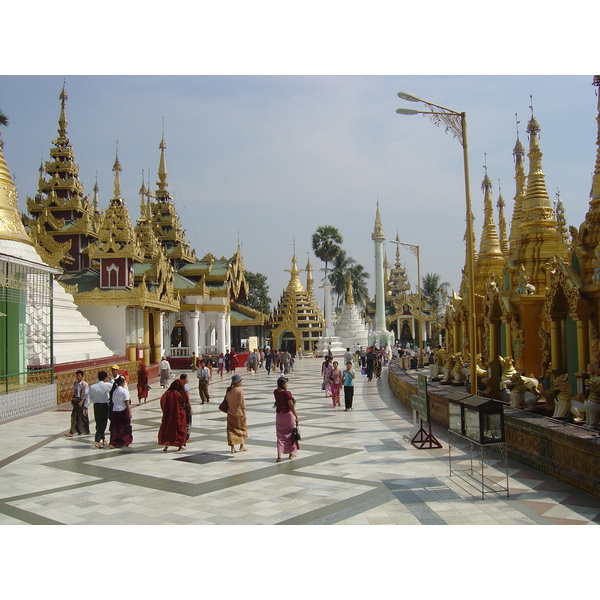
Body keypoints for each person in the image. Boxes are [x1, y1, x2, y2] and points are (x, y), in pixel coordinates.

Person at [158, 377, 189, 452]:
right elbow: (185, 402)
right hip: (179, 415)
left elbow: (162, 402)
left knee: (168, 429)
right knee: (180, 429)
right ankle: (180, 446)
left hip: (168, 415)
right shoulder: (179, 394)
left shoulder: (167, 393)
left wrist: (166, 411)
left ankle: (166, 445)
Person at [273, 376, 299, 462]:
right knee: (290, 434)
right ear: (283, 384)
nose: (287, 385)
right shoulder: (287, 393)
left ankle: (279, 455)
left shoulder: (276, 392)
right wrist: (296, 416)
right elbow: (290, 405)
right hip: (287, 415)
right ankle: (291, 453)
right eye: (286, 383)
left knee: (280, 435)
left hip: (279, 415)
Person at [88, 370, 113, 448]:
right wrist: (110, 378)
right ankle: (97, 441)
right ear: (105, 378)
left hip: (96, 406)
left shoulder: (92, 386)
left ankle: (103, 439)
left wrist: (85, 407)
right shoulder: (106, 385)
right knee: (102, 424)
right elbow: (113, 383)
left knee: (98, 422)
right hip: (104, 406)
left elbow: (89, 397)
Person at [225, 373, 247, 453]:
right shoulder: (240, 391)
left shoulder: (229, 390)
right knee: (242, 429)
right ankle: (241, 445)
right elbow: (242, 404)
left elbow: (227, 401)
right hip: (239, 414)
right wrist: (244, 414)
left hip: (230, 413)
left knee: (231, 430)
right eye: (240, 381)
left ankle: (232, 448)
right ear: (236, 382)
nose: (241, 382)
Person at [109, 376, 133, 448]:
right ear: (121, 383)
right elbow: (126, 402)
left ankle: (113, 442)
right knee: (125, 426)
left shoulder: (114, 391)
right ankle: (125, 441)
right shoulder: (123, 391)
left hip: (115, 410)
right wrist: (129, 412)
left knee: (115, 427)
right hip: (123, 410)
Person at [65, 370, 90, 437]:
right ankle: (72, 431)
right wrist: (73, 398)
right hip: (76, 401)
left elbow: (86, 394)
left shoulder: (85, 384)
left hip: (82, 401)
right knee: (74, 416)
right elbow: (73, 392)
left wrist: (82, 402)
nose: (78, 377)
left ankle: (85, 430)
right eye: (77, 376)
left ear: (82, 376)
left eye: (79, 376)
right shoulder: (75, 384)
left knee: (83, 416)